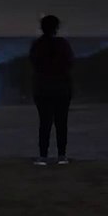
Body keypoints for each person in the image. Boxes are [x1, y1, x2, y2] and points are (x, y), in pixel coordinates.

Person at [29, 14, 74, 165]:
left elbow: (34, 63)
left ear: (42, 27)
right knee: (61, 122)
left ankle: (43, 156)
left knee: (45, 122)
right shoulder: (62, 44)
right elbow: (70, 63)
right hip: (61, 87)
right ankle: (62, 156)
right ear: (56, 27)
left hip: (42, 88)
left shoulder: (37, 44)